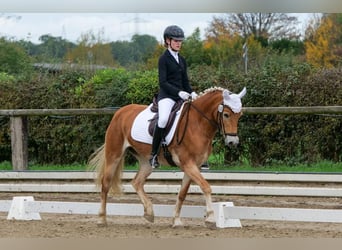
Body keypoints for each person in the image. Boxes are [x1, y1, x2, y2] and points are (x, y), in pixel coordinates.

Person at [149, 25, 197, 168]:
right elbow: (163, 82)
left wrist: (191, 92)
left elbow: (185, 81)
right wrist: (178, 92)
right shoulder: (163, 59)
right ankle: (153, 155)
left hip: (181, 96)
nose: (179, 43)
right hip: (167, 96)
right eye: (176, 41)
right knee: (163, 120)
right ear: (168, 41)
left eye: (180, 41)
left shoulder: (182, 60)